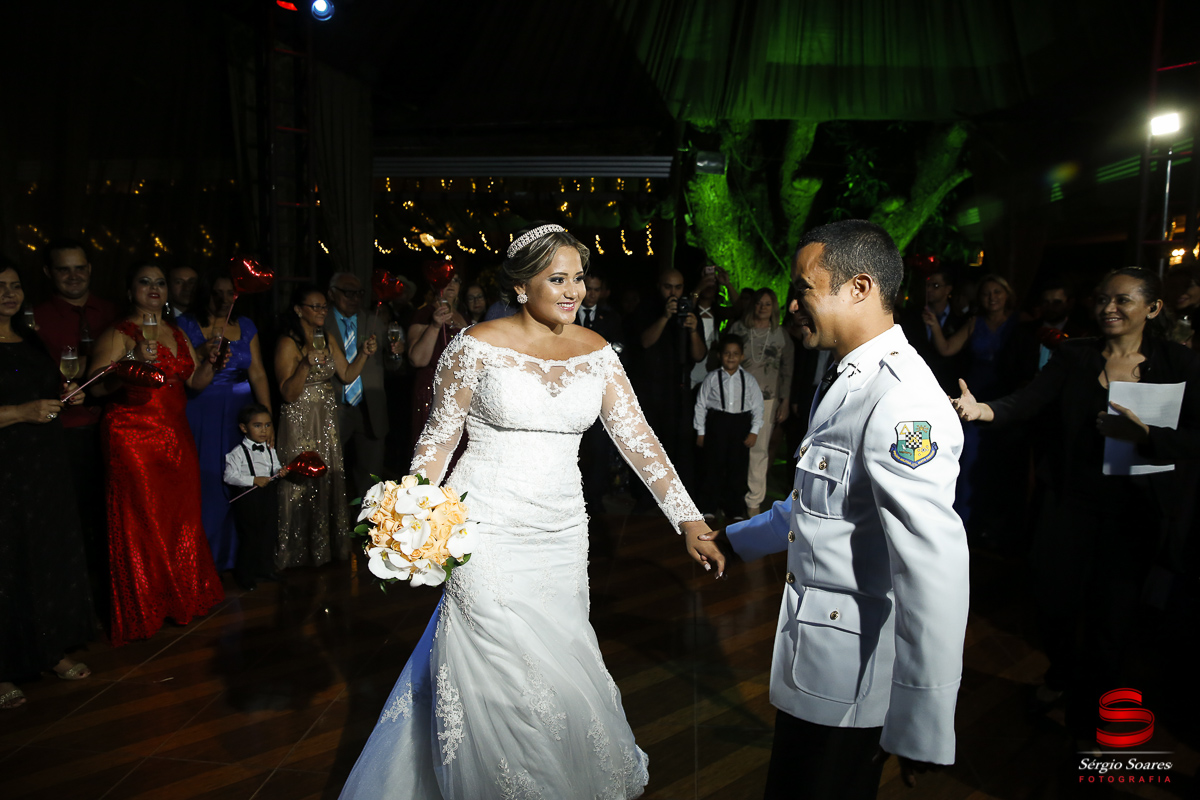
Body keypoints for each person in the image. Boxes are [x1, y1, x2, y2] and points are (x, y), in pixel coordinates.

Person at [339, 223, 722, 800]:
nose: (574, 291)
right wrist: (410, 510)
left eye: (579, 279)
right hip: (485, 528)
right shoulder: (475, 345)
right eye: (558, 279)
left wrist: (686, 518)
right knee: (495, 665)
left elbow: (639, 440)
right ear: (521, 287)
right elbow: (438, 440)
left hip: (562, 531)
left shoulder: (596, 353)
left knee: (556, 658)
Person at [707, 220, 969, 800]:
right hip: (819, 663)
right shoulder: (844, 375)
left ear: (859, 287)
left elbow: (934, 567)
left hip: (855, 676)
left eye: (804, 288)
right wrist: (733, 540)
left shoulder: (901, 399)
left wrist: (922, 720)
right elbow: (817, 507)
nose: (795, 304)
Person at [951, 267, 1200, 744]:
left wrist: (1148, 437)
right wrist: (984, 410)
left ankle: (1088, 720)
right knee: (1052, 601)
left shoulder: (1178, 364)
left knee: (1112, 620)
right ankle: (1063, 672)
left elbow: (1196, 437)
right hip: (1068, 504)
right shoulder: (1075, 355)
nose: (1109, 307)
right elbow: (1027, 401)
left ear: (1152, 308)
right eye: (1103, 298)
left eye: (1123, 300)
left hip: (1133, 513)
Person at [86, 264, 225, 646]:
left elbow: (194, 382)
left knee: (180, 519)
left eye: (160, 282)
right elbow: (96, 388)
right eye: (144, 281)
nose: (154, 288)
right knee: (142, 522)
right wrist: (131, 365)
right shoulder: (121, 332)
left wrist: (211, 362)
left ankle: (179, 599)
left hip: (175, 435)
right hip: (132, 436)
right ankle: (146, 607)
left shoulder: (177, 331)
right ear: (130, 289)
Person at [0, 261, 95, 709]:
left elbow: (44, 392)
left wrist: (65, 397)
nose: (9, 294)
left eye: (15, 286)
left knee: (46, 556)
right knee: (7, 563)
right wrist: (20, 413)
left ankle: (49, 649)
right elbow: (18, 406)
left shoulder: (29, 339)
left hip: (43, 466)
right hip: (5, 470)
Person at [33, 238, 118, 617]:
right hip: (62, 432)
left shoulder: (114, 313)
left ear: (90, 269)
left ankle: (110, 601)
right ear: (49, 273)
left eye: (79, 267)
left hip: (111, 428)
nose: (73, 276)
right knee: (73, 521)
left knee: (109, 516)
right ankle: (76, 605)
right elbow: (24, 373)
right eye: (64, 269)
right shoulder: (34, 317)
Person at [274, 285, 377, 569]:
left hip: (327, 416)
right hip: (301, 416)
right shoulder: (288, 342)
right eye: (315, 307)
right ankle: (295, 552)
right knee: (300, 480)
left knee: (327, 477)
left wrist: (364, 354)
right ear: (298, 309)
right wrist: (305, 365)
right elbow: (288, 393)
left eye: (323, 307)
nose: (321, 312)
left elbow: (345, 374)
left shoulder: (327, 337)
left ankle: (324, 549)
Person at [177, 273, 273, 572]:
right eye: (217, 292)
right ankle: (206, 557)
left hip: (240, 411)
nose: (223, 298)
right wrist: (202, 353)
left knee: (243, 479)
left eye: (229, 292)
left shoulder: (246, 325)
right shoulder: (187, 325)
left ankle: (240, 558)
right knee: (208, 479)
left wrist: (267, 421)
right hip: (202, 407)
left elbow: (257, 373)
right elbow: (181, 371)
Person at [924, 274, 1022, 535]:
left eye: (997, 292)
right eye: (986, 292)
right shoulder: (974, 322)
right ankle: (963, 527)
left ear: (1007, 295)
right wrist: (934, 325)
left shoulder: (1020, 324)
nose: (991, 297)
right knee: (969, 463)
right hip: (974, 399)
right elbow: (946, 349)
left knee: (999, 464)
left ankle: (994, 526)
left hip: (1007, 399)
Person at [729, 288, 794, 517]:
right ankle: (732, 498)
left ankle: (754, 501)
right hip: (736, 397)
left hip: (767, 399)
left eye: (767, 304)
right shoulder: (738, 328)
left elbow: (787, 370)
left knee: (759, 450)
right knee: (734, 448)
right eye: (759, 303)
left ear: (773, 308)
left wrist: (784, 402)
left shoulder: (780, 335)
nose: (762, 308)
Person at [327, 272, 391, 497]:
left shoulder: (372, 320)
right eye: (348, 292)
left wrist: (395, 354)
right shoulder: (321, 321)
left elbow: (391, 365)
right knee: (329, 473)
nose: (354, 298)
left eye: (359, 293)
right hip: (333, 407)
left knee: (371, 477)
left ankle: (367, 528)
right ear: (332, 293)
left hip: (368, 407)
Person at [694, 334, 764, 523]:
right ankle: (708, 506)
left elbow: (758, 406)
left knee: (737, 468)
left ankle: (734, 508)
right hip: (717, 423)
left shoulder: (748, 380)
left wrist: (754, 430)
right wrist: (701, 432)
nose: (731, 357)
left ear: (742, 356)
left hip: (740, 425)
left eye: (735, 354)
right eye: (727, 353)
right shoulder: (711, 378)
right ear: (720, 355)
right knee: (712, 466)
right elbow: (701, 405)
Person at [223, 404, 284, 590]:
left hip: (268, 495)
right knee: (250, 537)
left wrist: (280, 471)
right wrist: (253, 480)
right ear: (244, 428)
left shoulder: (269, 448)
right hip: (248, 498)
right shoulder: (237, 453)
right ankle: (245, 575)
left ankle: (265, 569)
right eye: (257, 425)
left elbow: (273, 466)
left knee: (269, 533)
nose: (264, 430)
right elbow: (229, 476)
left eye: (267, 425)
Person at [409, 273, 469, 442]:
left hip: (460, 390)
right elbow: (417, 359)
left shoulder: (463, 315)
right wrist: (435, 326)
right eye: (446, 279)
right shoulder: (425, 313)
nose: (451, 283)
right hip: (433, 390)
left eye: (456, 280)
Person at [899, 268, 967, 394]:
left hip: (948, 385)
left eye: (935, 286)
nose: (929, 290)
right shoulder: (912, 317)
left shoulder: (960, 319)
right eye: (927, 285)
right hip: (916, 383)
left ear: (948, 289)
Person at [689, 266, 740, 388]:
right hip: (690, 367)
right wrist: (699, 288)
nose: (709, 287)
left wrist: (727, 284)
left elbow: (739, 310)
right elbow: (687, 310)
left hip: (710, 367)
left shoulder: (717, 312)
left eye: (713, 284)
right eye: (706, 283)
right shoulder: (691, 309)